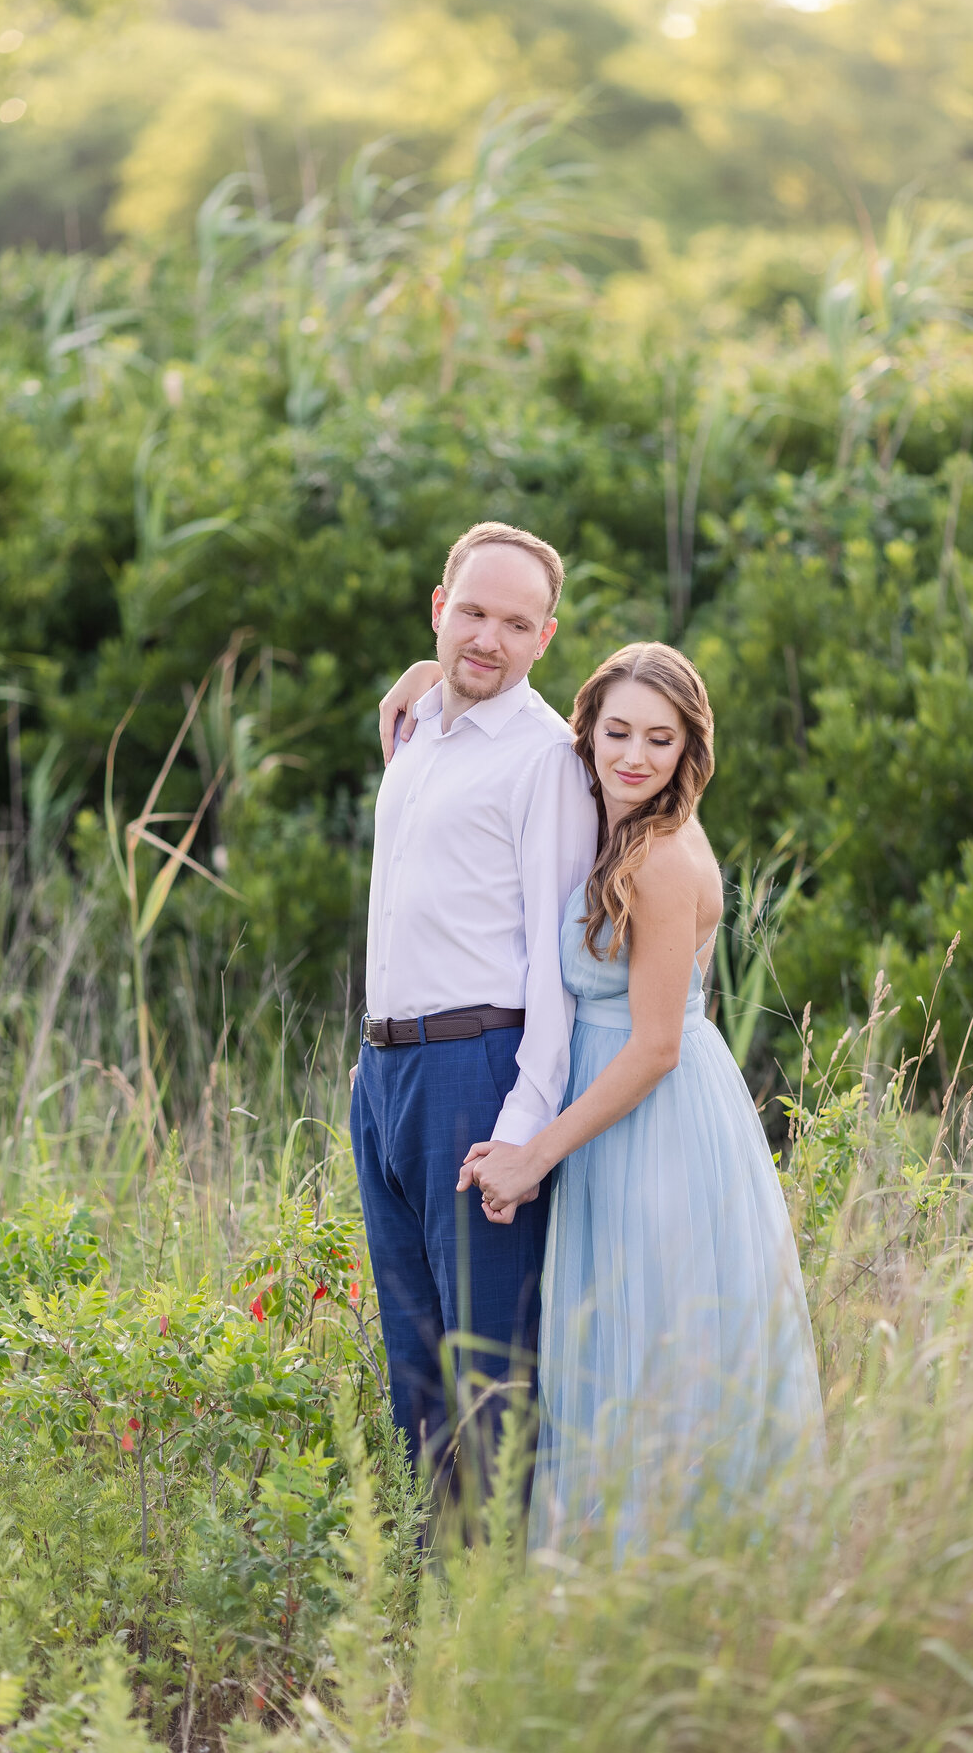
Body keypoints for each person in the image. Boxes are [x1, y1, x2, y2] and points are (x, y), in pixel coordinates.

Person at [389, 640, 823, 1552]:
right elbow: (488, 711)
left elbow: (656, 1045)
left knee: (643, 1351)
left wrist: (534, 1152)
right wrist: (427, 677)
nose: (632, 756)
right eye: (616, 732)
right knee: (595, 1353)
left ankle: (656, 1578)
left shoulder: (663, 859)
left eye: (658, 742)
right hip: (600, 1116)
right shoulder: (610, 821)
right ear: (585, 733)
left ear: (687, 754)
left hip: (648, 1125)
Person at [352, 521, 597, 1502]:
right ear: (440, 608)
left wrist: (523, 1129)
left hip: (479, 1071)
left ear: (547, 637)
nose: (489, 638)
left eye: (517, 622)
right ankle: (427, 1610)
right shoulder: (416, 727)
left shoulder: (544, 759)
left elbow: (556, 967)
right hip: (385, 1071)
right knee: (411, 1362)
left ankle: (495, 1607)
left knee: (487, 1369)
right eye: (474, 613)